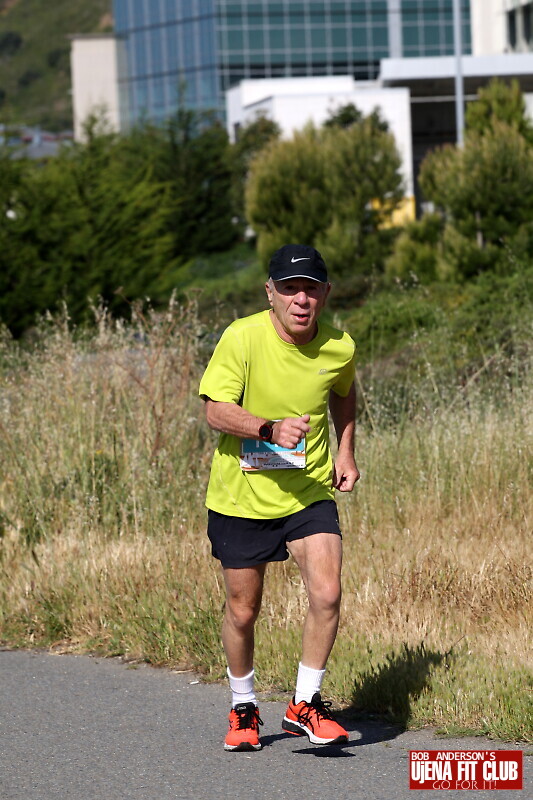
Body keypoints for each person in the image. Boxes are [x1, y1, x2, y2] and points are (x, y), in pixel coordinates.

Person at [198, 243, 360, 752]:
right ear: (270, 293)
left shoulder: (339, 347)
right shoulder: (242, 337)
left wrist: (346, 452)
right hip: (242, 495)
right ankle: (243, 705)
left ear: (325, 293)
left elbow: (344, 392)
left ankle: (304, 703)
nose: (300, 299)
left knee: (327, 593)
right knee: (243, 610)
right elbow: (215, 410)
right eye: (289, 288)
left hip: (309, 490)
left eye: (310, 288)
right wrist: (268, 429)